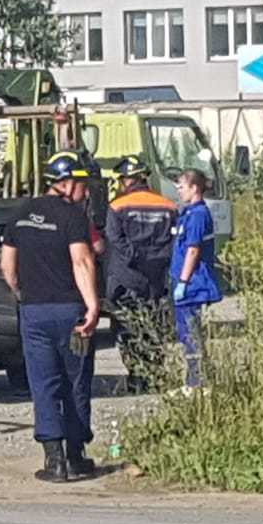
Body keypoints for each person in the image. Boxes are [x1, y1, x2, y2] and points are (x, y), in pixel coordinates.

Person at [1, 152, 101, 483]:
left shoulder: (19, 215)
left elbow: (8, 268)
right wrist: (92, 307)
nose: (85, 191)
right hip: (70, 311)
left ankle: (53, 461)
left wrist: (24, 295)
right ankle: (75, 455)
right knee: (75, 380)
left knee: (44, 384)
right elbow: (82, 262)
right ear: (67, 182)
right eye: (82, 184)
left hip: (34, 313)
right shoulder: (73, 217)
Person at [105, 156, 177, 394]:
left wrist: (134, 257)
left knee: (127, 327)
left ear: (127, 180)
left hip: (128, 278)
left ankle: (137, 376)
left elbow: (115, 239)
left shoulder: (117, 206)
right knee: (154, 324)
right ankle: (156, 372)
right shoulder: (168, 205)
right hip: (157, 277)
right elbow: (174, 239)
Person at [170, 168, 223, 392]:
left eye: (182, 186)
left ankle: (198, 383)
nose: (179, 191)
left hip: (193, 284)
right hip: (186, 281)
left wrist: (183, 282)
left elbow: (193, 250)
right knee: (186, 332)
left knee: (191, 333)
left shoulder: (199, 215)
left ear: (194, 188)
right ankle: (193, 380)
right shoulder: (188, 212)